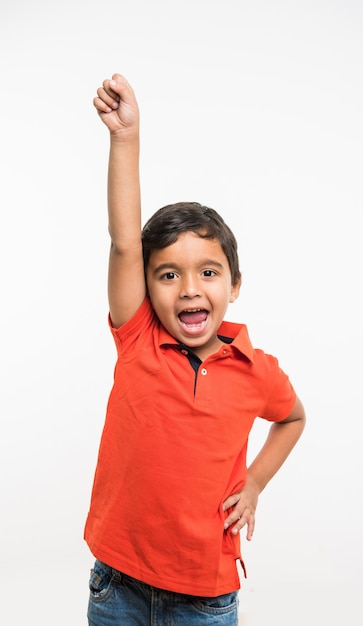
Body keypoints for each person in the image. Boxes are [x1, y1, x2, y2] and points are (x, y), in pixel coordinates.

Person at [85, 73, 306, 626]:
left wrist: (254, 481)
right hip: (119, 587)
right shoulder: (137, 337)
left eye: (208, 272)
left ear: (233, 285)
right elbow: (123, 239)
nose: (188, 288)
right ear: (146, 285)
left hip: (206, 598)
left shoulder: (257, 371)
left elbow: (293, 417)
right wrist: (124, 140)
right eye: (167, 274)